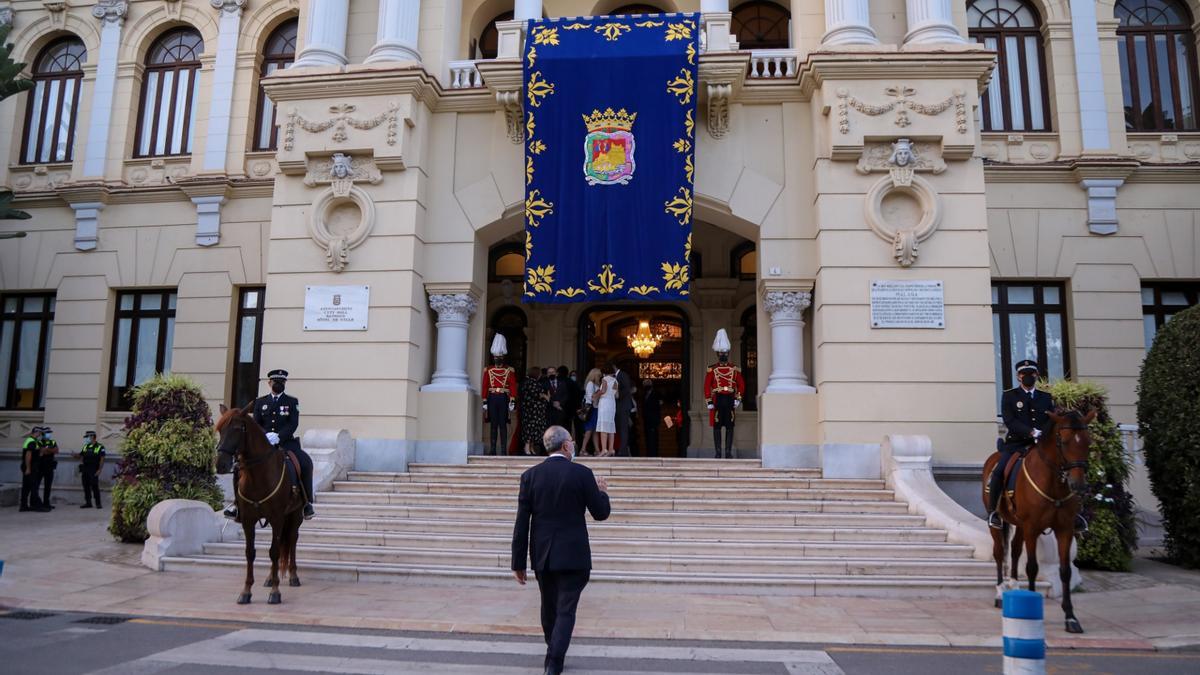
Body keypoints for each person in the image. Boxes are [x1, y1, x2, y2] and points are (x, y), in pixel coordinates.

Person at [511, 426, 611, 675]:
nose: (574, 445)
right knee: (565, 610)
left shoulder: (530, 476)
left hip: (543, 555)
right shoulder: (582, 473)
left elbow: (521, 523)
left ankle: (553, 653)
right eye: (572, 442)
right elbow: (600, 513)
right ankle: (554, 661)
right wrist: (603, 493)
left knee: (549, 608)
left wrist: (518, 562)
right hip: (574, 555)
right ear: (566, 446)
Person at [987, 360, 1084, 531]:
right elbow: (1009, 420)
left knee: (1068, 467)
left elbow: (1051, 419)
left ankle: (1075, 513)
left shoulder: (1045, 397)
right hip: (1016, 444)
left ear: (1036, 375)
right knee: (1000, 470)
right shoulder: (1009, 396)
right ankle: (993, 511)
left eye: (1031, 373)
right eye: (1024, 374)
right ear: (1018, 376)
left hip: (1041, 444)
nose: (1028, 376)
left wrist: (1044, 432)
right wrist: (1031, 432)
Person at [225, 368, 315, 521]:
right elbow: (256, 423)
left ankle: (306, 503)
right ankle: (237, 504)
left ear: (285, 383)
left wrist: (279, 436)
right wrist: (265, 435)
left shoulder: (292, 402)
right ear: (269, 383)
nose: (278, 384)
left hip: (286, 443)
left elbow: (293, 423)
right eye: (275, 382)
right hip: (263, 443)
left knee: (305, 463)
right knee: (238, 466)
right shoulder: (260, 402)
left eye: (281, 382)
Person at [704, 329, 745, 459]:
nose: (723, 355)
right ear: (717, 353)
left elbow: (741, 385)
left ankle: (727, 452)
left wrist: (738, 398)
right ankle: (717, 452)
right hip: (718, 399)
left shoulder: (734, 369)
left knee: (730, 426)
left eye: (725, 353)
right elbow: (706, 385)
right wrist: (709, 400)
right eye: (721, 353)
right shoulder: (712, 369)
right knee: (717, 426)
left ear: (728, 353)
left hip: (730, 398)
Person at [484, 334, 518, 456]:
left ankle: (503, 450)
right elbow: (485, 385)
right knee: (493, 424)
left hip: (503, 398)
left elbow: (513, 386)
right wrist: (484, 401)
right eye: (496, 357)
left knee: (503, 424)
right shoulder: (488, 370)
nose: (498, 359)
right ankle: (493, 449)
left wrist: (512, 400)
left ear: (503, 357)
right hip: (492, 397)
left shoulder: (509, 370)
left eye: (500, 357)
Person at [520, 366, 550, 455]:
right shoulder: (530, 382)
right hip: (531, 412)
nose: (541, 375)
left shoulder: (535, 382)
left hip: (537, 412)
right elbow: (536, 394)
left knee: (535, 430)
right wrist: (545, 396)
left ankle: (531, 447)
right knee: (530, 428)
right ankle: (527, 447)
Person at [20, 427, 48, 512]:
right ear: (36, 432)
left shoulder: (35, 441)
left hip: (32, 466)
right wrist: (28, 468)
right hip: (30, 466)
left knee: (26, 487)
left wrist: (42, 452)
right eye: (40, 433)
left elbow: (37, 455)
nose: (41, 435)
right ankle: (38, 506)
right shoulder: (31, 441)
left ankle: (23, 506)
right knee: (34, 486)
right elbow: (28, 455)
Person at [75, 430, 106, 509]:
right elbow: (81, 455)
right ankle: (88, 503)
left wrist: (99, 470)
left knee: (94, 486)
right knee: (86, 486)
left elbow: (102, 459)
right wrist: (75, 455)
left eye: (87, 437)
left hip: (94, 469)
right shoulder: (86, 446)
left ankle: (98, 503)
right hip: (85, 468)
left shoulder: (100, 446)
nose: (86, 439)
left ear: (92, 437)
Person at [595, 365, 618, 456]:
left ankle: (604, 449)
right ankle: (611, 449)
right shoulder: (615, 381)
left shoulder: (605, 379)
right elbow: (617, 395)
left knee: (603, 426)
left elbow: (603, 390)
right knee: (611, 426)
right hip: (612, 403)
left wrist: (596, 395)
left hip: (605, 403)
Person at [612, 362, 634, 457]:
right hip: (620, 407)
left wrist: (618, 395)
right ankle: (621, 449)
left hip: (624, 406)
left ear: (614, 366)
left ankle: (623, 451)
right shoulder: (616, 376)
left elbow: (626, 389)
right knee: (620, 429)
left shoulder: (622, 375)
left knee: (623, 429)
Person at [580, 368, 602, 456]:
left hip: (596, 409)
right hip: (591, 409)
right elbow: (590, 397)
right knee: (589, 430)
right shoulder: (590, 384)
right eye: (599, 375)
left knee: (595, 431)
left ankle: (597, 450)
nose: (600, 377)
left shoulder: (597, 384)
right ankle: (582, 450)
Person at [37, 426, 59, 509]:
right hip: (40, 467)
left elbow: (56, 451)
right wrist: (50, 450)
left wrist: (47, 450)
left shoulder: (52, 442)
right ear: (43, 434)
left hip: (50, 467)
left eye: (50, 433)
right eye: (48, 433)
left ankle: (46, 503)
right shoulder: (39, 442)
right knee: (37, 485)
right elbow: (41, 451)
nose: (49, 434)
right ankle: (36, 502)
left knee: (48, 486)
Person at [641, 380, 663, 458]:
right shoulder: (644, 395)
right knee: (648, 439)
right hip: (646, 421)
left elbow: (659, 405)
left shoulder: (656, 394)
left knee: (653, 439)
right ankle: (649, 454)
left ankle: (654, 455)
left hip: (654, 421)